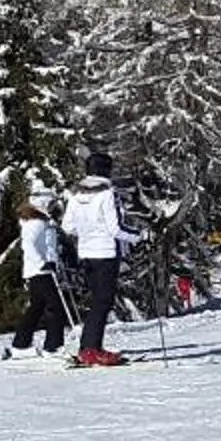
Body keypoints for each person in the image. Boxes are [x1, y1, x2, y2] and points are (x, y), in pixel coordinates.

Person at [63, 154, 134, 366]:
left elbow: (68, 226)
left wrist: (87, 233)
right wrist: (140, 236)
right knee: (103, 302)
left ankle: (89, 347)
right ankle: (91, 349)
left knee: (97, 301)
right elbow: (116, 228)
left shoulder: (76, 195)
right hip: (106, 252)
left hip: (86, 252)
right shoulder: (107, 194)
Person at [6, 197, 67, 360]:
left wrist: (53, 262)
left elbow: (48, 246)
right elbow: (28, 245)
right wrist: (43, 263)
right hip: (40, 271)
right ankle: (53, 346)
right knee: (56, 307)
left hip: (41, 271)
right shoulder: (36, 224)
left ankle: (20, 344)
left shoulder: (43, 224)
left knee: (37, 307)